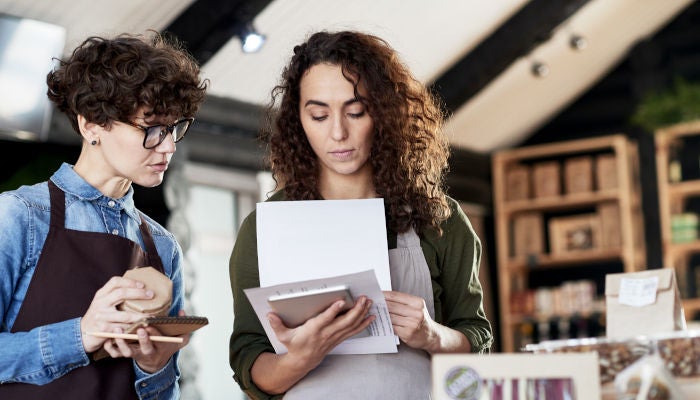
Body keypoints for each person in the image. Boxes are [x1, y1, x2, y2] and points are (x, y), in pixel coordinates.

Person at [229, 30, 493, 399]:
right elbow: (248, 359)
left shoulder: (438, 218)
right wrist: (300, 359)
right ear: (297, 123)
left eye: (356, 111)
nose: (338, 132)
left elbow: (477, 340)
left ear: (385, 114)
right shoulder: (264, 228)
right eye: (319, 115)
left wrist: (431, 334)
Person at [0, 32, 208, 399]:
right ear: (91, 124)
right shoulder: (21, 216)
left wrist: (154, 367)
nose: (169, 146)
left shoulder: (163, 246)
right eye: (152, 129)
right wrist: (80, 335)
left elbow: (163, 393)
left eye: (174, 129)